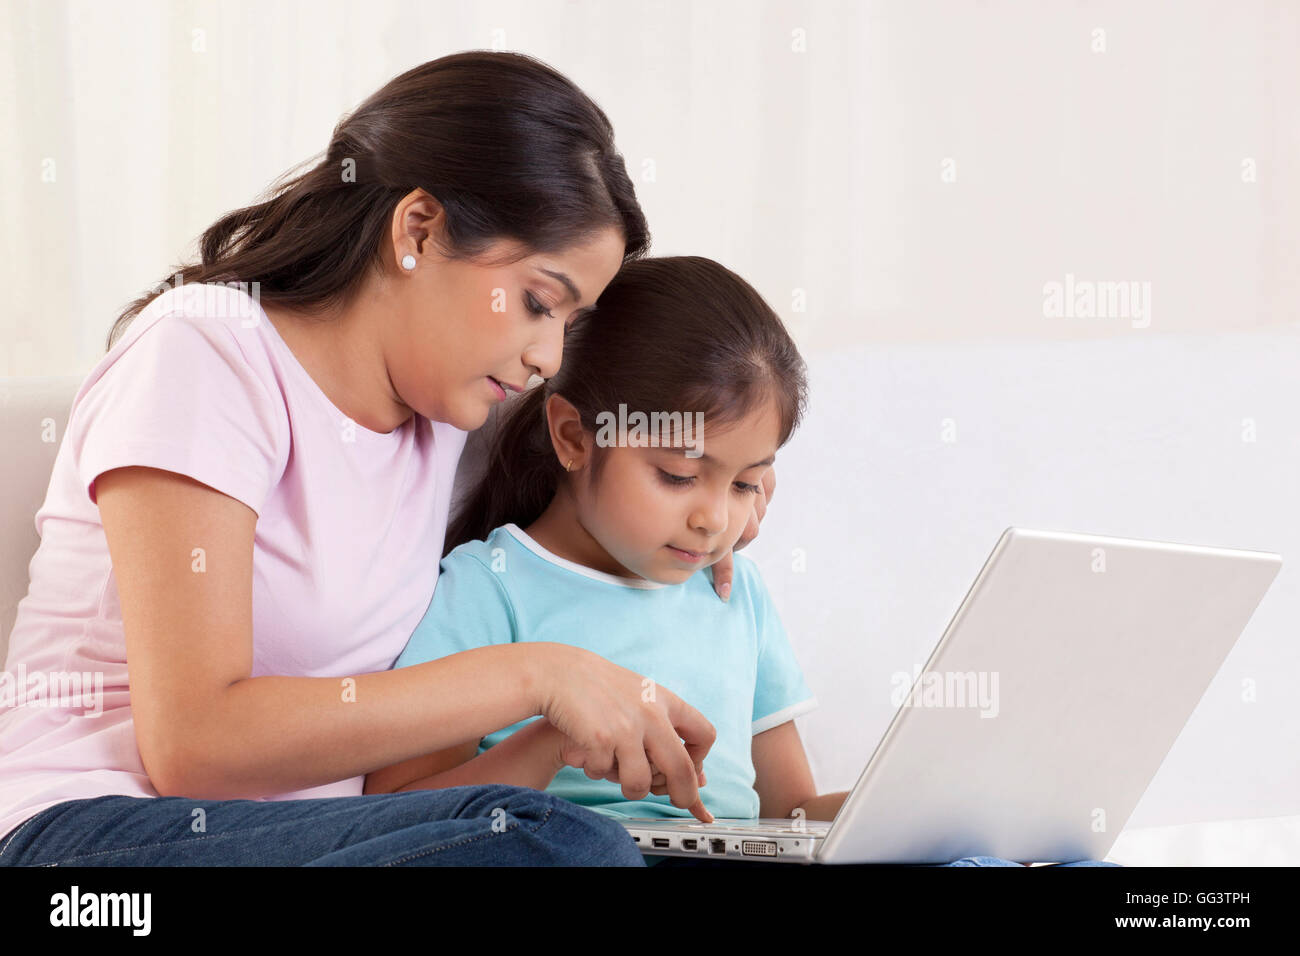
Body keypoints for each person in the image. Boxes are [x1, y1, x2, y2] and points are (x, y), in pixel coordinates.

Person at [0, 51, 745, 867]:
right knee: (564, 848)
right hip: (89, 836)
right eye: (537, 302)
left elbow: (622, 456)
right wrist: (538, 674)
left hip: (322, 842)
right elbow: (194, 744)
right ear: (418, 231)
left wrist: (719, 504)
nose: (546, 356)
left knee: (579, 842)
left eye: (569, 322)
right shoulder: (206, 354)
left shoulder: (451, 414)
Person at [364, 257, 1121, 868]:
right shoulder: (490, 586)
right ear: (573, 438)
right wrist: (548, 747)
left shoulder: (734, 592)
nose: (715, 517)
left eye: (749, 482)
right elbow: (401, 816)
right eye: (679, 476)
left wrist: (927, 812)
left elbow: (786, 809)